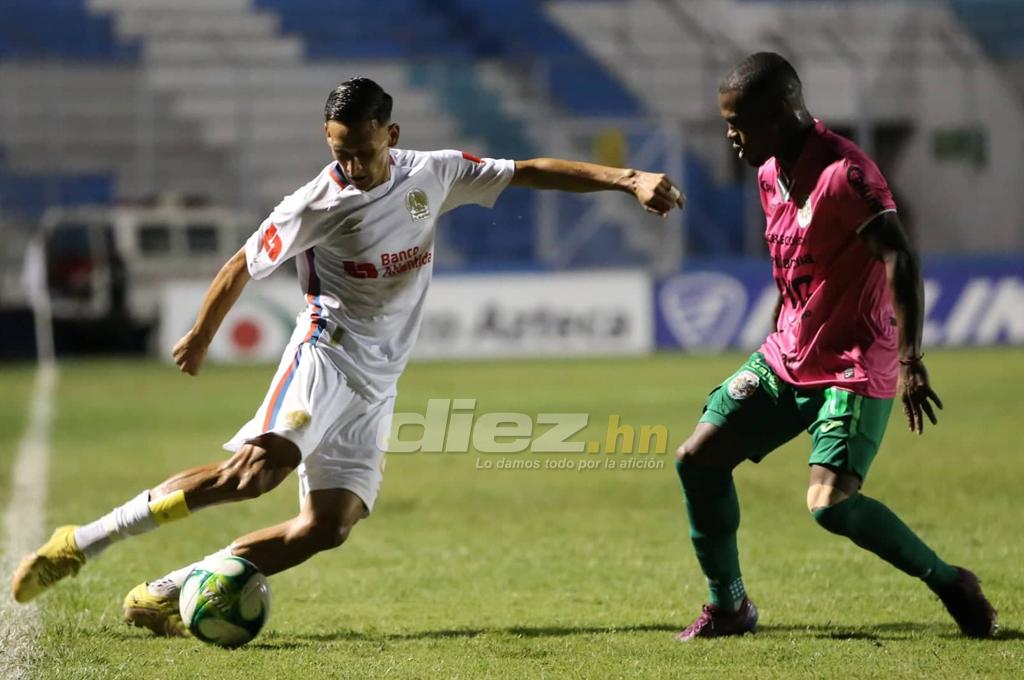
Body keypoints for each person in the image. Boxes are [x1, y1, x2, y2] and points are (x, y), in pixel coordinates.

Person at [11, 77, 684, 635]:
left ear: (390, 135)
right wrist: (201, 334)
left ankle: (168, 589)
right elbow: (244, 262)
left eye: (361, 151)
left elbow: (530, 170)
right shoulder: (318, 201)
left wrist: (628, 179)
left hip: (379, 378)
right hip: (326, 351)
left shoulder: (435, 174)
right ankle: (83, 542)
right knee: (255, 474)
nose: (351, 166)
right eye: (339, 152)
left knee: (327, 527)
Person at [673, 53, 996, 641]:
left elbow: (900, 255)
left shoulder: (846, 175)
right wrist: (779, 328)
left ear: (776, 114)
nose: (729, 134)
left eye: (736, 121)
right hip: (789, 354)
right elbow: (796, 263)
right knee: (698, 460)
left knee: (830, 506)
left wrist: (911, 361)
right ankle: (729, 607)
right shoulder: (770, 172)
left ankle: (950, 581)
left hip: (853, 361)